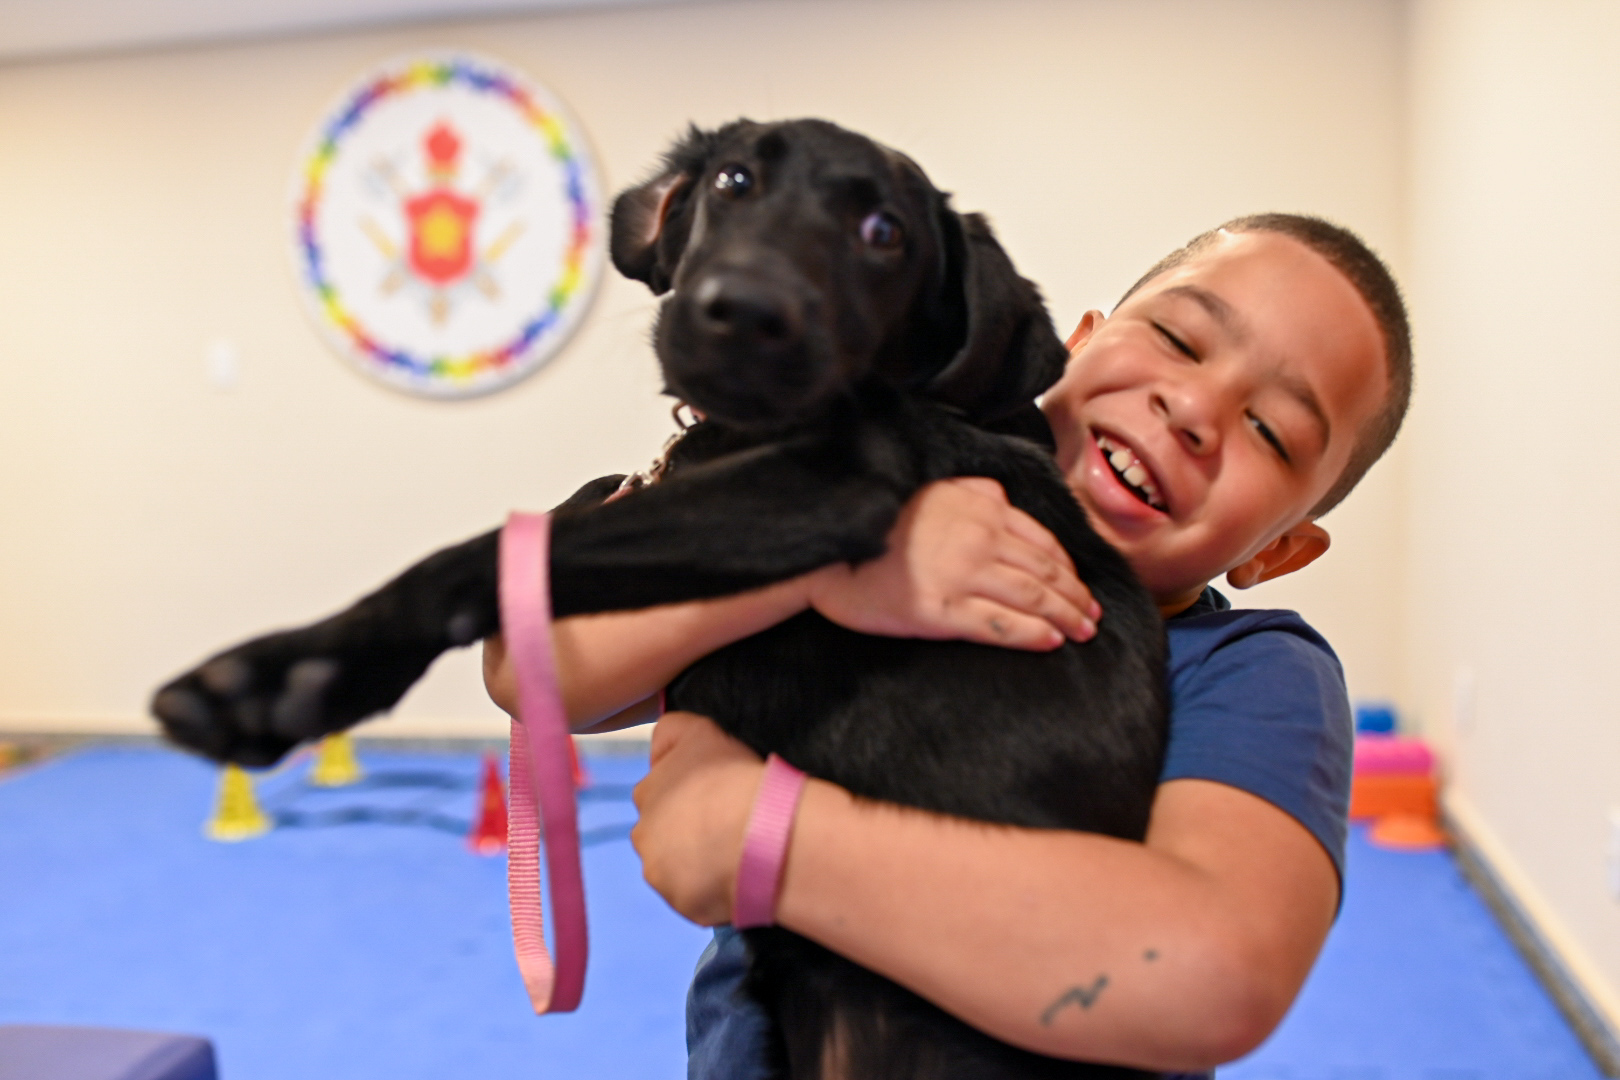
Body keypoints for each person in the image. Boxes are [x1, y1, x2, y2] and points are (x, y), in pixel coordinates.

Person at [483, 213, 1411, 1077]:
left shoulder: (1246, 675)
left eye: (1268, 430)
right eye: (1177, 339)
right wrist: (815, 566)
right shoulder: (877, 509)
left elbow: (1217, 971)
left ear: (1279, 552)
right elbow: (531, 664)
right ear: (1076, 344)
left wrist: (769, 843)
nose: (1195, 409)